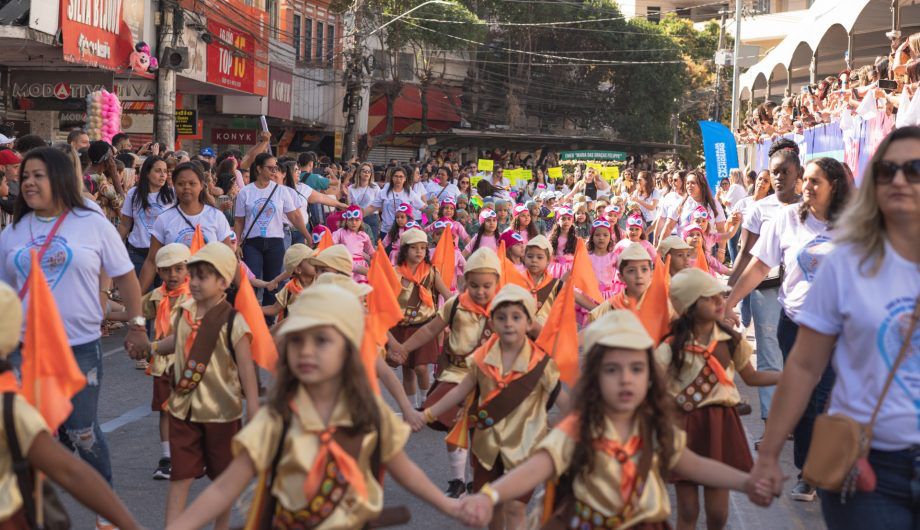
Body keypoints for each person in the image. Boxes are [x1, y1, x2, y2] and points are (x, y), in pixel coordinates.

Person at [164, 284, 464, 530]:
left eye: (321, 340)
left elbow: (404, 470)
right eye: (297, 340)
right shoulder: (278, 417)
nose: (306, 351)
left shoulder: (368, 413)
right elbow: (224, 488)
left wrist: (448, 504)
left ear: (348, 349)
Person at [750, 126, 920, 529]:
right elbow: (805, 366)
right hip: (865, 465)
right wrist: (770, 455)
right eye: (886, 170)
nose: (898, 179)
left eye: (913, 168)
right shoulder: (845, 262)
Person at [457, 310, 771, 529]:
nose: (625, 380)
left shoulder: (653, 427)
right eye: (612, 370)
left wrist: (746, 481)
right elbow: (536, 468)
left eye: (636, 369)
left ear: (651, 376)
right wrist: (490, 496)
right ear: (593, 378)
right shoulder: (579, 429)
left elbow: (694, 465)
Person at [0, 147, 147, 530]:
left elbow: (125, 276)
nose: (28, 182)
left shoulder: (90, 222)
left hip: (78, 346)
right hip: (22, 350)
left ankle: (106, 511)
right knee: (27, 433)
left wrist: (137, 324)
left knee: (81, 431)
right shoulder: (14, 231)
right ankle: (29, 509)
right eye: (25, 176)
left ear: (61, 179)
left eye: (38, 176)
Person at [724, 157, 851, 501]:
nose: (806, 187)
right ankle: (808, 473)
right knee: (811, 399)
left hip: (842, 329)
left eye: (815, 182)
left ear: (834, 186)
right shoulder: (786, 219)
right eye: (805, 180)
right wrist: (730, 301)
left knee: (830, 398)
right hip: (796, 325)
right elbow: (759, 265)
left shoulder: (855, 225)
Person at [0, 281, 144, 530]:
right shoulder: (11, 408)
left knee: (82, 429)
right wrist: (130, 525)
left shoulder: (12, 408)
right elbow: (70, 472)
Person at [421, 284, 564, 530]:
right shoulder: (480, 360)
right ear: (492, 323)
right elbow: (459, 390)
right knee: (493, 509)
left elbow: (565, 402)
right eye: (501, 317)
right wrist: (427, 413)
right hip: (486, 449)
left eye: (516, 317)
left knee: (516, 507)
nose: (508, 323)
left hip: (524, 448)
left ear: (530, 323)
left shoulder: (542, 364)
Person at [147, 243, 260, 530]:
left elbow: (246, 367)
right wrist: (151, 347)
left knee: (223, 479)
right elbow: (175, 341)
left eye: (202, 277)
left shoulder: (233, 320)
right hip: (183, 410)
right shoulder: (184, 310)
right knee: (180, 476)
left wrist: (254, 411)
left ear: (223, 282)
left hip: (221, 413)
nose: (193, 283)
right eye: (192, 276)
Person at [658, 269, 780, 530]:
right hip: (684, 426)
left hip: (721, 424)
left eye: (720, 297)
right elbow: (653, 385)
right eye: (709, 298)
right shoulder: (671, 345)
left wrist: (786, 377)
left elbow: (752, 377)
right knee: (688, 508)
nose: (719, 302)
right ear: (689, 306)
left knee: (717, 513)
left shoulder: (731, 340)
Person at [398, 248, 503, 498]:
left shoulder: (504, 307)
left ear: (498, 282)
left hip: (490, 378)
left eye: (487, 285)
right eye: (474, 284)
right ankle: (457, 480)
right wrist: (403, 348)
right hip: (456, 374)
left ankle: (479, 480)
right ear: (464, 281)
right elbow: (429, 330)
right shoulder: (455, 304)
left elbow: (525, 336)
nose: (480, 291)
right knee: (456, 426)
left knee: (483, 432)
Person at [727, 139, 802, 433]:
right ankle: (774, 420)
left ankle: (797, 416)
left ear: (799, 174)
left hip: (798, 294)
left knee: (795, 355)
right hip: (765, 290)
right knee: (770, 352)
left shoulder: (811, 209)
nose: (779, 177)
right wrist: (730, 292)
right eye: (775, 172)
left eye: (786, 172)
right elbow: (747, 253)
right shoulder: (760, 209)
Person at [139, 162, 233, 292]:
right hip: (174, 295)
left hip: (208, 293)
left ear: (201, 185)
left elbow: (228, 257)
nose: (186, 187)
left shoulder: (215, 216)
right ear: (174, 186)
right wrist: (137, 298)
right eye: (181, 184)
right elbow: (151, 261)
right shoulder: (164, 219)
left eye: (192, 183)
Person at [140, 244, 191, 481]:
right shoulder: (157, 296)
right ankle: (167, 456)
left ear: (187, 270)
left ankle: (189, 452)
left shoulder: (195, 296)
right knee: (165, 410)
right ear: (159, 272)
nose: (172, 275)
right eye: (166, 270)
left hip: (189, 362)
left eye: (178, 269)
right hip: (162, 363)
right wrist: (103, 310)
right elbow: (136, 313)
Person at [234, 153, 309, 306]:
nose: (274, 171)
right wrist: (236, 243)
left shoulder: (282, 191)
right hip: (251, 243)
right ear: (259, 169)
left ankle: (268, 321)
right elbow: (239, 220)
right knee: (251, 282)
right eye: (270, 168)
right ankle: (250, 316)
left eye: (276, 168)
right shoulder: (245, 192)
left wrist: (307, 234)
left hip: (275, 242)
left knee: (273, 283)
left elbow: (294, 216)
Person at [387, 228, 451, 405]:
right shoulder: (395, 273)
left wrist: (463, 304)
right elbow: (385, 299)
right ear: (405, 250)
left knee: (421, 368)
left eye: (423, 248)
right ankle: (411, 405)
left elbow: (447, 294)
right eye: (414, 248)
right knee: (407, 369)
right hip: (401, 327)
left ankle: (425, 400)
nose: (419, 252)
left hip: (424, 326)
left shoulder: (431, 272)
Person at [119, 155, 175, 277]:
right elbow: (125, 224)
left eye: (165, 171)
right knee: (143, 294)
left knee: (161, 294)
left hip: (165, 254)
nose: (163, 175)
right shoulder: (134, 194)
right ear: (147, 173)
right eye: (158, 171)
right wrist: (114, 246)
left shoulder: (172, 195)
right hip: (138, 252)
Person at [364, 166, 426, 238]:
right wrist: (359, 214)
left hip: (404, 232)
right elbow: (372, 207)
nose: (398, 179)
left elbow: (423, 208)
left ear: (405, 178)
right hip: (386, 231)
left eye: (401, 177)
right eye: (396, 176)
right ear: (392, 178)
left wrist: (426, 220)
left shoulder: (410, 192)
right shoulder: (383, 192)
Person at [261, 244, 315, 322]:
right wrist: (254, 308)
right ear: (298, 269)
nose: (317, 262)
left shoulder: (322, 282)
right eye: (312, 261)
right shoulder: (290, 289)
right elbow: (274, 308)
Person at [331, 205, 374, 281]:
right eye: (351, 220)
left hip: (360, 266)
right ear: (346, 221)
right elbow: (331, 243)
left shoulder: (364, 236)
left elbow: (371, 252)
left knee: (361, 288)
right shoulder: (341, 232)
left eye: (357, 220)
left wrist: (377, 260)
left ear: (361, 221)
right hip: (346, 264)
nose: (354, 222)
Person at [347, 162, 381, 243]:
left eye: (369, 171)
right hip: (356, 219)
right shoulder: (351, 188)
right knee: (357, 244)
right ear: (359, 173)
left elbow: (379, 205)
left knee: (370, 244)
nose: (366, 173)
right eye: (364, 171)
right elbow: (349, 206)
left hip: (372, 218)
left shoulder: (375, 187)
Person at [547, 206, 577, 278]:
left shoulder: (575, 239)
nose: (566, 221)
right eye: (563, 219)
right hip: (555, 268)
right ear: (558, 220)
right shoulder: (552, 237)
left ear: (572, 221)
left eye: (569, 219)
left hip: (569, 268)